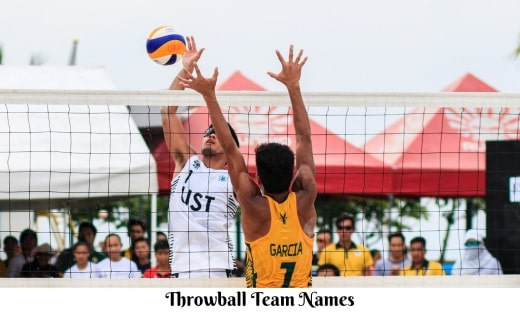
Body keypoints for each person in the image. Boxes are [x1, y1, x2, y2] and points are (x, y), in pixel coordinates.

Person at [179, 44, 317, 287]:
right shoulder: (306, 199)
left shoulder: (255, 207)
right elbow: (304, 138)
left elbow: (231, 150)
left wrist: (209, 96)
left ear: (259, 180)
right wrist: (294, 86)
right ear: (293, 175)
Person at [160, 36, 239, 278]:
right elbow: (167, 110)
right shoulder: (187, 162)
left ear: (229, 147)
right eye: (207, 132)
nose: (210, 135)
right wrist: (185, 68)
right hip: (181, 269)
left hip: (216, 269)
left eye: (217, 133)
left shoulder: (235, 177)